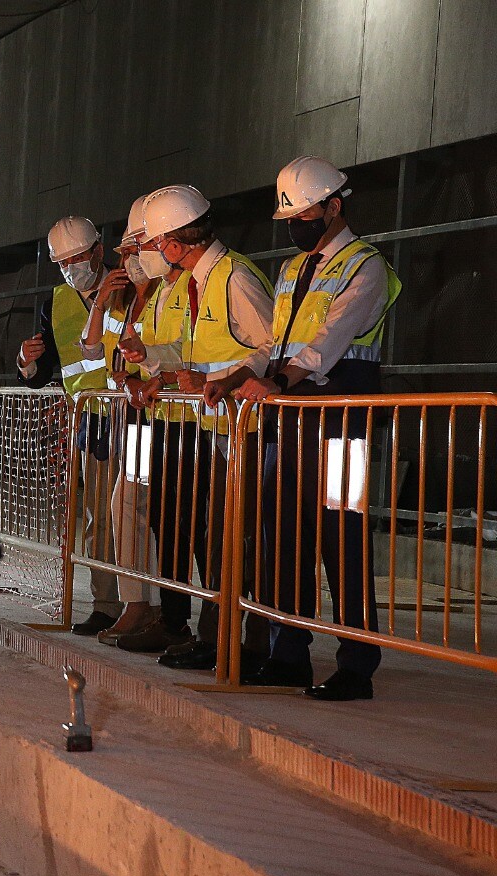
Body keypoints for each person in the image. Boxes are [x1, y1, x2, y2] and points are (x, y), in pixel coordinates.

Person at [219, 157, 401, 700]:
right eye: (290, 217)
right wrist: (240, 376)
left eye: (304, 214)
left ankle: (356, 664)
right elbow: (276, 346)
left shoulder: (365, 266)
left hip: (342, 420)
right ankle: (288, 653)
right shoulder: (293, 270)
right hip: (291, 419)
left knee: (342, 536)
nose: (296, 225)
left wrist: (281, 381)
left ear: (334, 207)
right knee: (284, 536)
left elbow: (331, 339)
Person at [116, 186, 273, 669]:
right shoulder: (201, 280)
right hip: (220, 428)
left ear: (178, 242)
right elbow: (198, 353)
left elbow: (270, 351)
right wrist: (157, 362)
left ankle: (236, 642)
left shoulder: (234, 278)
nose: (155, 252)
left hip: (250, 430)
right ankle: (217, 637)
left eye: (158, 242)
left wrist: (215, 378)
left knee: (242, 540)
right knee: (218, 537)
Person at [18, 216, 121, 635]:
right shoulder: (55, 303)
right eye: (63, 262)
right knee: (100, 518)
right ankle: (106, 603)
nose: (71, 268)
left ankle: (147, 607)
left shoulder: (125, 289)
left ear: (99, 251)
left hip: (135, 414)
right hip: (91, 421)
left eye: (78, 258)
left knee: (138, 518)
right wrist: (26, 360)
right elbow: (44, 372)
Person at [83, 196, 161, 646]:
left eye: (134, 253)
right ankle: (141, 605)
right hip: (134, 423)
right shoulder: (128, 301)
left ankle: (148, 608)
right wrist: (100, 304)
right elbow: (94, 350)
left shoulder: (170, 293)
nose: (129, 262)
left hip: (165, 419)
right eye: (126, 255)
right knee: (125, 506)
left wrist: (138, 375)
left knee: (134, 507)